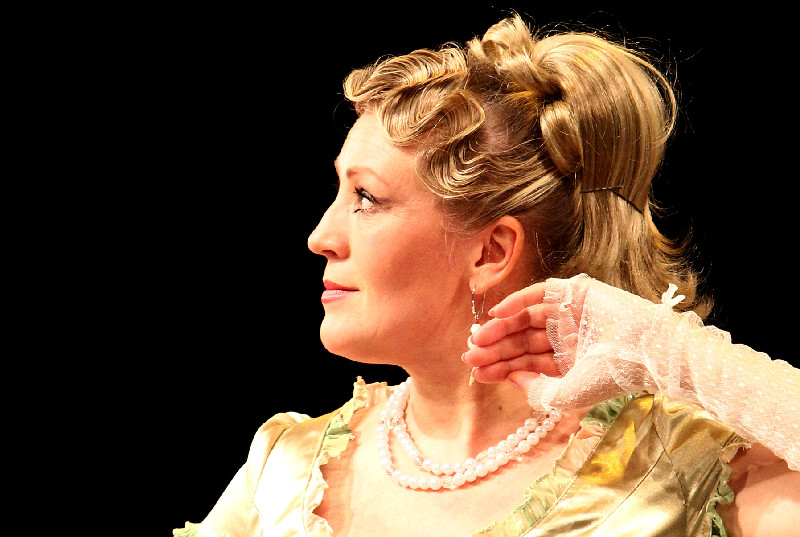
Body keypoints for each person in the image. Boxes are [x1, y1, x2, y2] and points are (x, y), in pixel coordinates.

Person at [174, 14, 799, 537]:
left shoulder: (678, 473)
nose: (320, 237)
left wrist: (677, 353)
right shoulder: (285, 472)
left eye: (366, 198)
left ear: (489, 253)